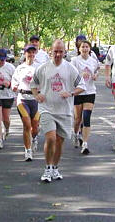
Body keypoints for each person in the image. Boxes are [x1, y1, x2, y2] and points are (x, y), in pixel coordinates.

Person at [31, 39, 86, 182]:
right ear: (51, 51)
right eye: (55, 51)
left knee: (60, 141)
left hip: (65, 111)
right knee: (50, 138)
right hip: (46, 109)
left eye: (61, 51)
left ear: (64, 53)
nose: (58, 54)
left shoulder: (70, 68)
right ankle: (47, 168)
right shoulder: (43, 68)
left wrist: (71, 93)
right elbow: (33, 84)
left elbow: (81, 85)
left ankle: (55, 168)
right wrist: (37, 95)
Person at [71, 40, 100, 154]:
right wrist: (80, 75)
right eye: (83, 47)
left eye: (87, 47)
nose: (85, 49)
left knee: (86, 117)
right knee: (78, 119)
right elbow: (71, 75)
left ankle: (85, 143)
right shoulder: (74, 61)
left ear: (90, 49)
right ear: (79, 49)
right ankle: (76, 133)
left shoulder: (93, 61)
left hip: (90, 91)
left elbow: (97, 70)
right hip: (78, 92)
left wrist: (95, 75)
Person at [11, 45, 39, 161]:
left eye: (33, 52)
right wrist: (14, 86)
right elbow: (14, 81)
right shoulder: (20, 68)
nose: (31, 55)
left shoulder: (39, 68)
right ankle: (27, 151)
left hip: (35, 100)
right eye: (29, 52)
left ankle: (34, 137)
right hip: (22, 99)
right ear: (25, 53)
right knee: (27, 124)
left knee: (34, 127)